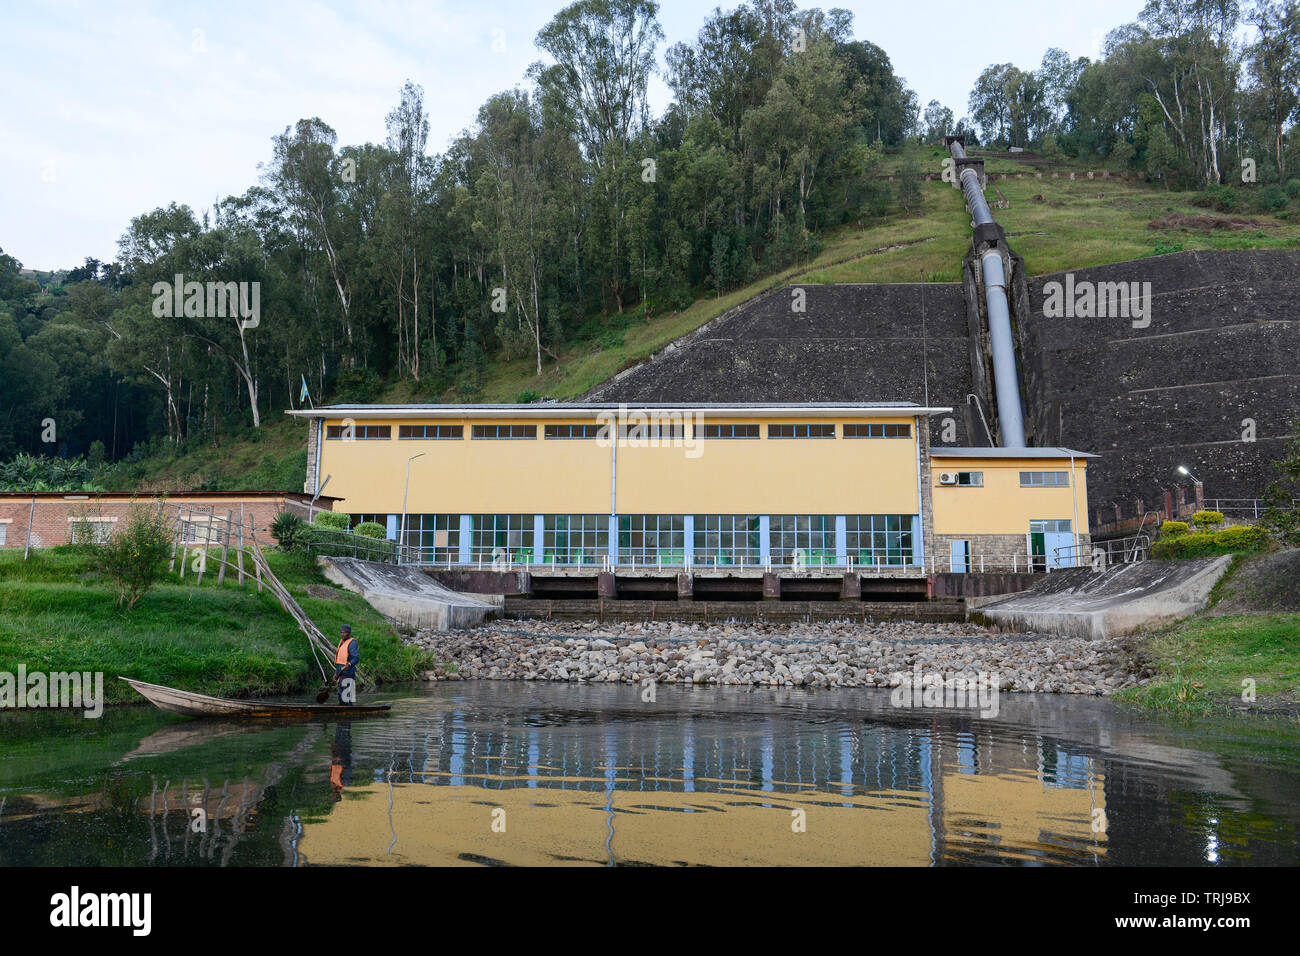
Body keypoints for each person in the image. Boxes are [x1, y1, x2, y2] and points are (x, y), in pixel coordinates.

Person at [333, 624, 358, 706]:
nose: (343, 634)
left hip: (348, 673)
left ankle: (349, 714)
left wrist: (349, 664)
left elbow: (356, 658)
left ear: (349, 633)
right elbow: (340, 661)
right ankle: (343, 713)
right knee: (340, 696)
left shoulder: (352, 643)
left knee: (347, 697)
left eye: (345, 632)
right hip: (341, 673)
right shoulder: (341, 642)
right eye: (341, 632)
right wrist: (336, 673)